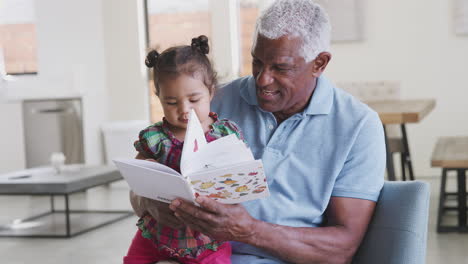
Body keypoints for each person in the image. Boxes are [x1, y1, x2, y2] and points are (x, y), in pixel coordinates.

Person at [130, 0, 386, 263]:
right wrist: (153, 204)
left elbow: (342, 248)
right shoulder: (209, 104)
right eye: (257, 62)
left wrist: (249, 231)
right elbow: (143, 188)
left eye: (280, 68)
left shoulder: (359, 127)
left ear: (319, 63)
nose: (262, 79)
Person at [124, 35, 245, 264]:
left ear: (210, 92)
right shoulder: (156, 137)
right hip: (158, 232)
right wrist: (146, 170)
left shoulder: (225, 134)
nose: (184, 110)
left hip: (207, 239)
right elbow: (137, 172)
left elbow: (241, 174)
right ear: (158, 97)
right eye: (171, 102)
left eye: (194, 99)